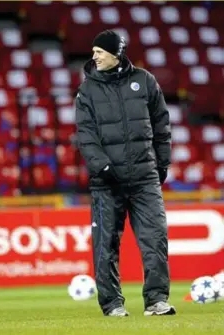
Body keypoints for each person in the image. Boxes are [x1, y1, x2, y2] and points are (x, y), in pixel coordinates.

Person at [75, 30, 175, 317]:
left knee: (155, 239)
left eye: (99, 51)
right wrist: (101, 166)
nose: (94, 56)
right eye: (94, 51)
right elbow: (86, 135)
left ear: (115, 53)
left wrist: (162, 163)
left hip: (145, 178)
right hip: (106, 182)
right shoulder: (87, 91)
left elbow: (161, 125)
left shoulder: (145, 81)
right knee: (105, 245)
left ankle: (156, 300)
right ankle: (112, 304)